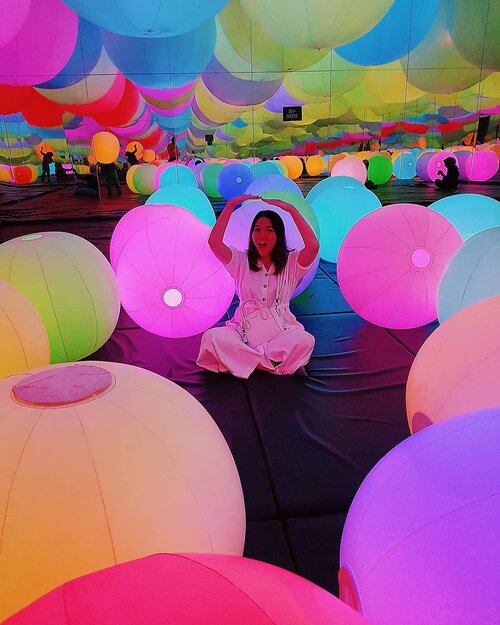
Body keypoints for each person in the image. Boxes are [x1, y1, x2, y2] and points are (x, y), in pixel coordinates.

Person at [197, 195, 319, 379]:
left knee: (305, 341)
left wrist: (291, 209)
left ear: (278, 235)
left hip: (281, 329)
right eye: (257, 230)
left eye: (269, 230)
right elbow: (214, 242)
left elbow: (313, 246)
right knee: (212, 338)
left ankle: (246, 362)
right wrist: (230, 205)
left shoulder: (291, 263)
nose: (262, 236)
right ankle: (271, 365)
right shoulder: (240, 260)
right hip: (243, 331)